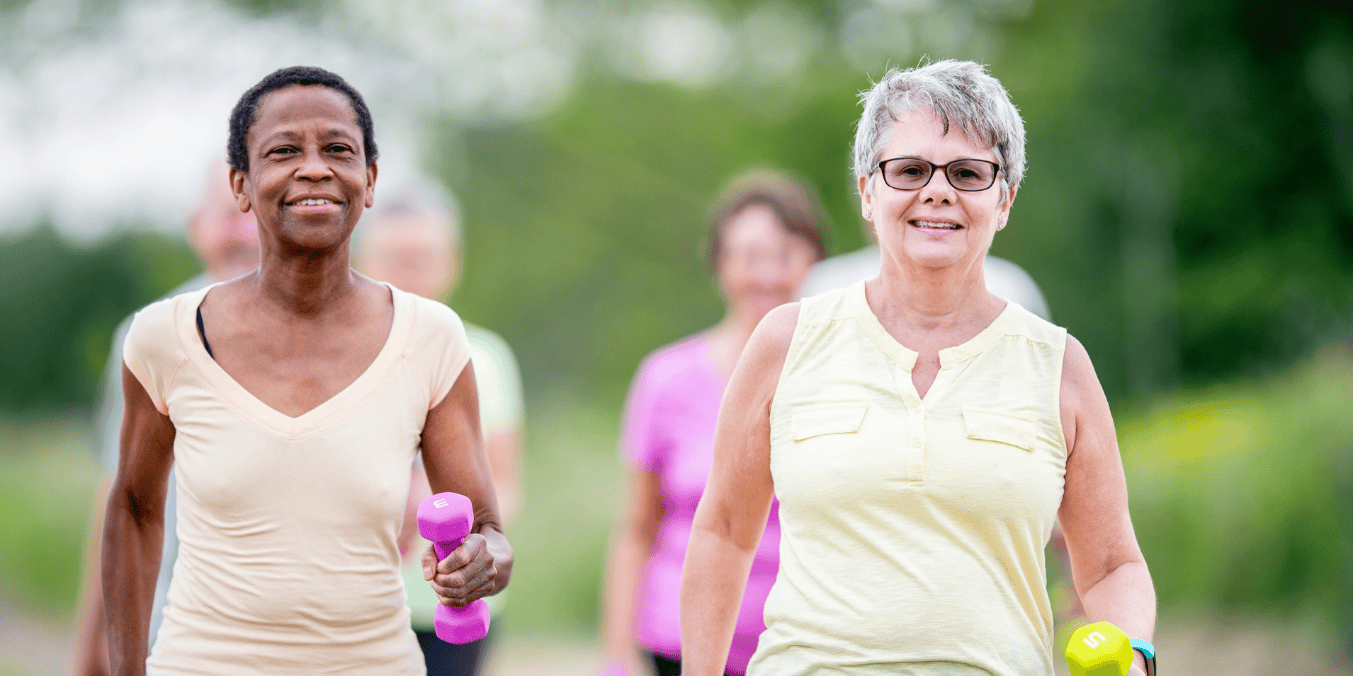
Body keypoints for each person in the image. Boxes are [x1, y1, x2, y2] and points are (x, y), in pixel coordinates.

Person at [679, 60, 1156, 676]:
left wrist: (1136, 653)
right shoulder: (785, 342)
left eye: (967, 173)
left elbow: (1113, 564)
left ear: (1005, 199)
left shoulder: (1058, 364)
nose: (937, 191)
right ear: (867, 193)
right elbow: (722, 532)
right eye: (909, 170)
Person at [102, 66, 511, 675]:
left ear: (369, 181)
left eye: (339, 150)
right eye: (284, 150)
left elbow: (489, 532)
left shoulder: (430, 338)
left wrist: (480, 562)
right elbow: (134, 512)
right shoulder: (168, 338)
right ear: (241, 185)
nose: (314, 167)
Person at [600, 170, 828, 676]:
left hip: (801, 650)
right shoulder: (666, 378)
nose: (767, 274)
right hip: (679, 644)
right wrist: (616, 656)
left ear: (814, 260)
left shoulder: (842, 376)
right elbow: (637, 527)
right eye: (749, 256)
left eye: (785, 254)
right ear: (721, 264)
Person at [74, 160, 260, 676]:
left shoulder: (339, 334)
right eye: (229, 214)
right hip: (170, 637)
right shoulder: (147, 337)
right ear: (196, 225)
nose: (245, 230)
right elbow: (120, 496)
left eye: (259, 212)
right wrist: (92, 646)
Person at [356, 183, 525, 676]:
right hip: (362, 608)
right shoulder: (338, 361)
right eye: (393, 257)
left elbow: (507, 487)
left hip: (455, 609)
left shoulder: (488, 359)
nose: (409, 272)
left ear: (453, 262)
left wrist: (471, 540)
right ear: (363, 260)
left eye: (423, 257)